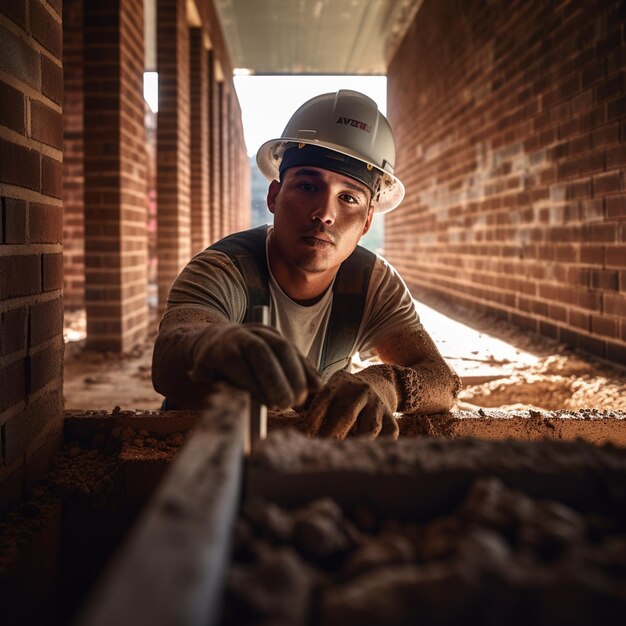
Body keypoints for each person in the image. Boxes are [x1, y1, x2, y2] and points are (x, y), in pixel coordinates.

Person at [152, 89, 461, 439]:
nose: (325, 214)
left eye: (348, 198)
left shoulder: (371, 283)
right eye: (307, 186)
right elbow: (169, 357)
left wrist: (385, 385)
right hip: (201, 451)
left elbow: (443, 381)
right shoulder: (224, 269)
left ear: (366, 223)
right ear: (274, 196)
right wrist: (217, 349)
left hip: (304, 456)